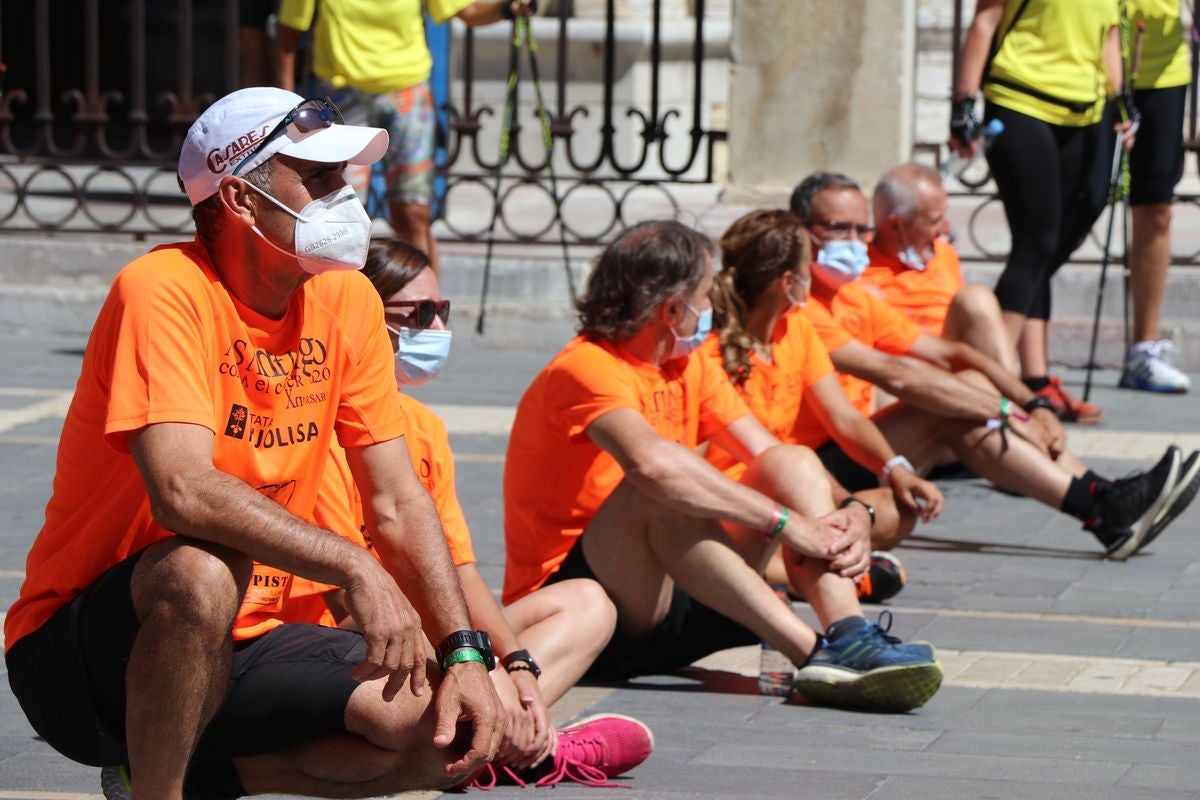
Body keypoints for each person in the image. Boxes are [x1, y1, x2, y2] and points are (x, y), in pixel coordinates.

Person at [5, 87, 506, 800]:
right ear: (240, 199)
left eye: (345, 177)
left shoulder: (347, 298)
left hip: (260, 632)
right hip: (88, 653)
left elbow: (396, 496)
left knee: (451, 736)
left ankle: (190, 772)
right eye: (320, 178)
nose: (347, 196)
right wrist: (356, 568)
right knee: (203, 570)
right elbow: (182, 490)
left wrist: (465, 653)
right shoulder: (161, 289)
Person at [502, 220, 944, 714]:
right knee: (655, 488)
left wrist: (853, 509)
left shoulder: (687, 363)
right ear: (673, 309)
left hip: (679, 599)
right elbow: (652, 466)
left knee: (792, 460)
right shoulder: (585, 367)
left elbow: (769, 455)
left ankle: (849, 634)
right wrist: (785, 524)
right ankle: (813, 654)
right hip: (589, 611)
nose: (713, 306)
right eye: (706, 294)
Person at [278, 237, 653, 789]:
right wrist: (469, 658)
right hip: (356, 633)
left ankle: (493, 733)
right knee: (415, 643)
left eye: (441, 311)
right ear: (361, 318)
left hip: (432, 632)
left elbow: (461, 570)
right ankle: (524, 747)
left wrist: (519, 665)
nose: (434, 327)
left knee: (589, 603)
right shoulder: (319, 424)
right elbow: (348, 598)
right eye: (417, 314)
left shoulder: (425, 428)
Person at [789, 171, 1200, 561]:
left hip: (862, 441)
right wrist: (1007, 411)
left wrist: (1033, 403)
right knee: (949, 407)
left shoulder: (853, 297)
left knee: (964, 387)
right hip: (813, 465)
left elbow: (955, 355)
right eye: (839, 229)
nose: (856, 242)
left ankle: (1102, 500)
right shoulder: (799, 307)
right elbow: (896, 374)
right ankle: (1101, 504)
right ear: (800, 228)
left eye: (862, 231)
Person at [704, 208, 945, 604]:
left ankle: (799, 570)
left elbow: (844, 417)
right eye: (807, 266)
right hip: (735, 507)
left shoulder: (796, 327)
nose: (813, 274)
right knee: (828, 509)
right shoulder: (711, 349)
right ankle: (812, 577)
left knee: (888, 508)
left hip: (788, 490)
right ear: (788, 282)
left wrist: (895, 469)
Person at [951, 0, 1134, 424]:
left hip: (1087, 111)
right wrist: (964, 103)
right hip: (1020, 99)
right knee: (1036, 242)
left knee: (1070, 222)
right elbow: (986, 20)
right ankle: (990, 391)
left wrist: (1120, 96)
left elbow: (1109, 33)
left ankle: (1033, 384)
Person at [275, 0, 534, 279]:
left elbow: (467, 11)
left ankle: (426, 308)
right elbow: (288, 35)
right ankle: (346, 305)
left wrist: (508, 8)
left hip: (407, 94)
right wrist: (285, 110)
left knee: (412, 213)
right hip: (342, 96)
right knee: (340, 214)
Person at [864, 163, 1018, 374]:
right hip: (897, 375)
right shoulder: (857, 267)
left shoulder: (944, 253)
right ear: (894, 226)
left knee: (976, 298)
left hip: (952, 367)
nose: (945, 229)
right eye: (933, 221)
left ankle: (1015, 398)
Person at [1118, 0, 1192, 393]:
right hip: (1090, 63)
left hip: (1163, 71)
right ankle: (1028, 349)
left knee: (1156, 208)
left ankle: (1143, 350)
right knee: (1069, 207)